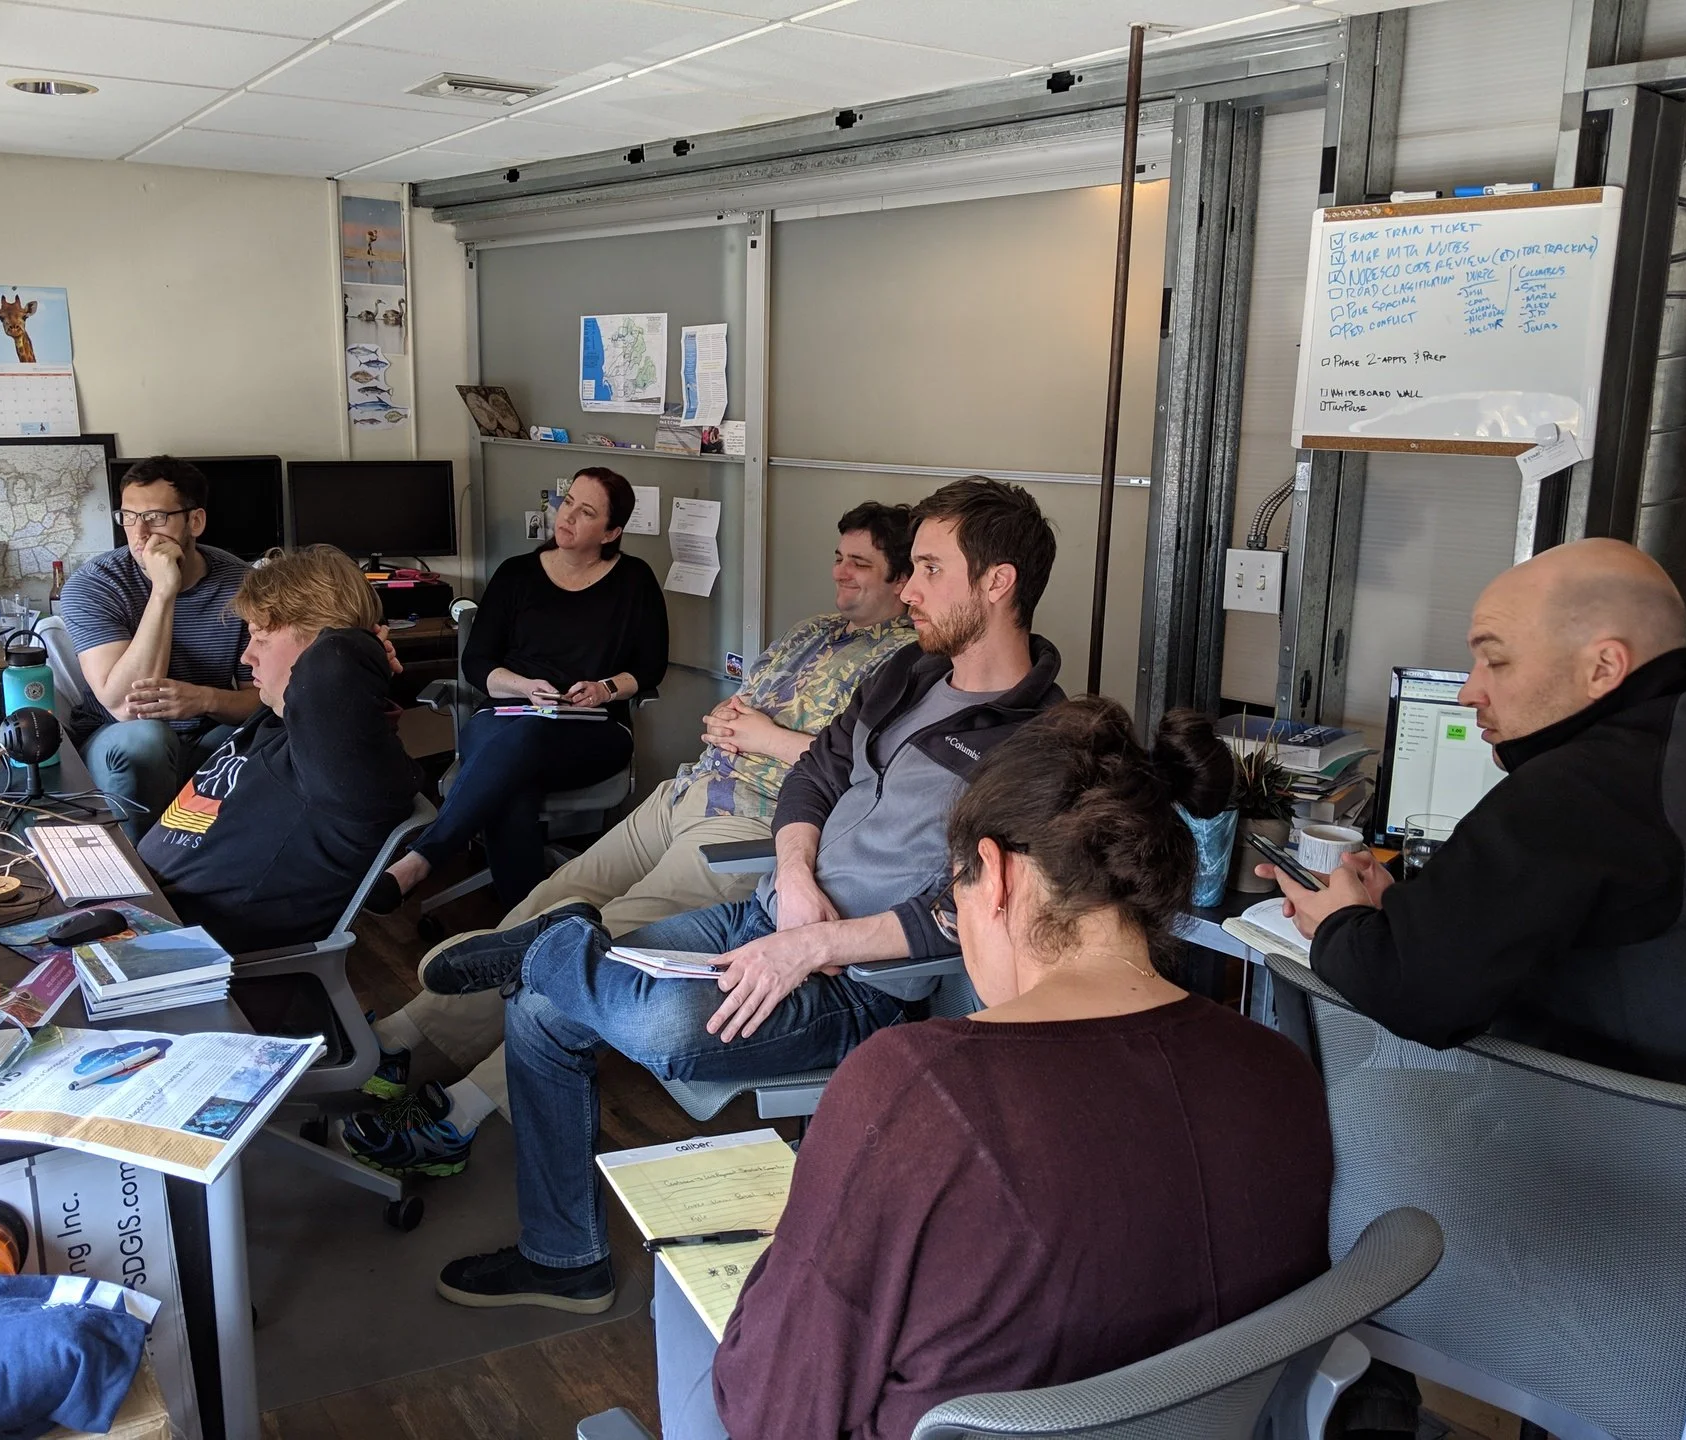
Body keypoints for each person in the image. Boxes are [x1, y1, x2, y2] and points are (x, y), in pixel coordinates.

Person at [429, 475, 1066, 1315]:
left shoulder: (1039, 741)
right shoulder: (908, 674)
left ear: (997, 583)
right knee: (543, 1010)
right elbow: (816, 775)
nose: (908, 589)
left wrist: (815, 942)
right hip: (766, 912)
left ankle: (561, 941)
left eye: (929, 570)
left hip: (852, 983)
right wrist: (795, 878)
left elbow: (973, 911)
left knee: (659, 1028)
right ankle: (564, 1257)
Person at [641, 700, 1333, 1440]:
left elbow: (776, 1414)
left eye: (953, 895)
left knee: (684, 1285)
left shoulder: (915, 1090)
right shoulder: (1281, 1075)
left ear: (995, 875)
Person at [339, 502, 917, 1177]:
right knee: (547, 903)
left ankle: (463, 1113)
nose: (840, 572)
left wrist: (763, 737)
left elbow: (869, 777)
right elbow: (746, 705)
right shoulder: (813, 630)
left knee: (600, 944)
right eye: (839, 557)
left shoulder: (908, 665)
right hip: (684, 794)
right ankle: (407, 1041)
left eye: (859, 564)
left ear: (904, 578)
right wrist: (727, 720)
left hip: (753, 822)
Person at [1261, 537, 1686, 1089]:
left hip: (1606, 1124)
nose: (1468, 692)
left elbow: (1418, 994)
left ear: (1604, 666)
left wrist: (1336, 925)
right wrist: (1412, 911)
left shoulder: (1584, 786)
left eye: (1496, 661)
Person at [367, 467, 669, 915]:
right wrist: (525, 687)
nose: (567, 516)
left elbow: (650, 668)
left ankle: (423, 858)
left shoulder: (635, 580)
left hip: (592, 730)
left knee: (518, 761)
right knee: (516, 770)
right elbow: (477, 663)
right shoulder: (516, 575)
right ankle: (528, 928)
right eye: (568, 502)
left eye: (586, 512)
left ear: (611, 533)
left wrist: (605, 689)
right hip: (505, 717)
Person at [138, 546, 421, 955]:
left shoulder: (341, 760)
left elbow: (335, 658)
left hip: (176, 955)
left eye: (261, 638)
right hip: (140, 909)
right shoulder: (278, 721)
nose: (246, 656)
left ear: (321, 642)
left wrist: (364, 644)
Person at [61, 457, 257, 841]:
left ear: (195, 521)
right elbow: (126, 707)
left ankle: (198, 859)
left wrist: (204, 699)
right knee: (146, 739)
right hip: (116, 738)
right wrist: (163, 591)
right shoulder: (95, 585)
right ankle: (144, 866)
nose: (139, 533)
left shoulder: (242, 584)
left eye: (155, 517)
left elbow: (263, 698)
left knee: (266, 735)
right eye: (128, 517)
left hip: (204, 736)